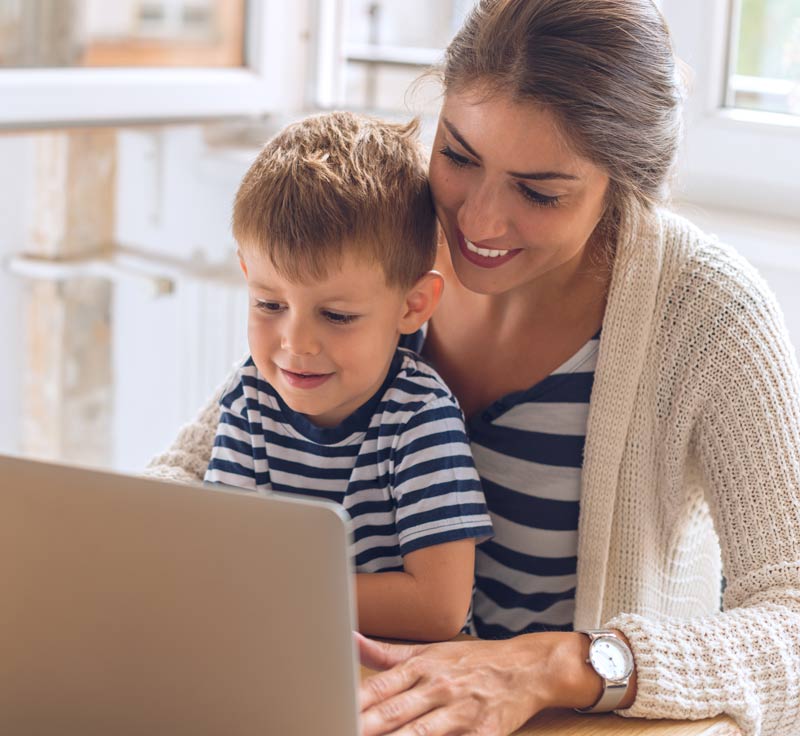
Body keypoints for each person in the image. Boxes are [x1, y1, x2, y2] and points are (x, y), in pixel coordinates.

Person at [147, 1, 800, 734]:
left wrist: (562, 665)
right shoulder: (388, 235)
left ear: (624, 183)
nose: (477, 224)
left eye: (539, 191)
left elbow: (791, 623)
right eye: (458, 156)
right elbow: (183, 479)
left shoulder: (709, 316)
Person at [173, 110, 493, 643]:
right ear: (246, 276)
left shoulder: (419, 416)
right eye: (269, 304)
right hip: (279, 652)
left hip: (400, 678)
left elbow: (440, 607)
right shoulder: (250, 397)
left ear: (413, 306)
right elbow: (221, 557)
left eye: (338, 316)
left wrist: (276, 594)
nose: (295, 344)